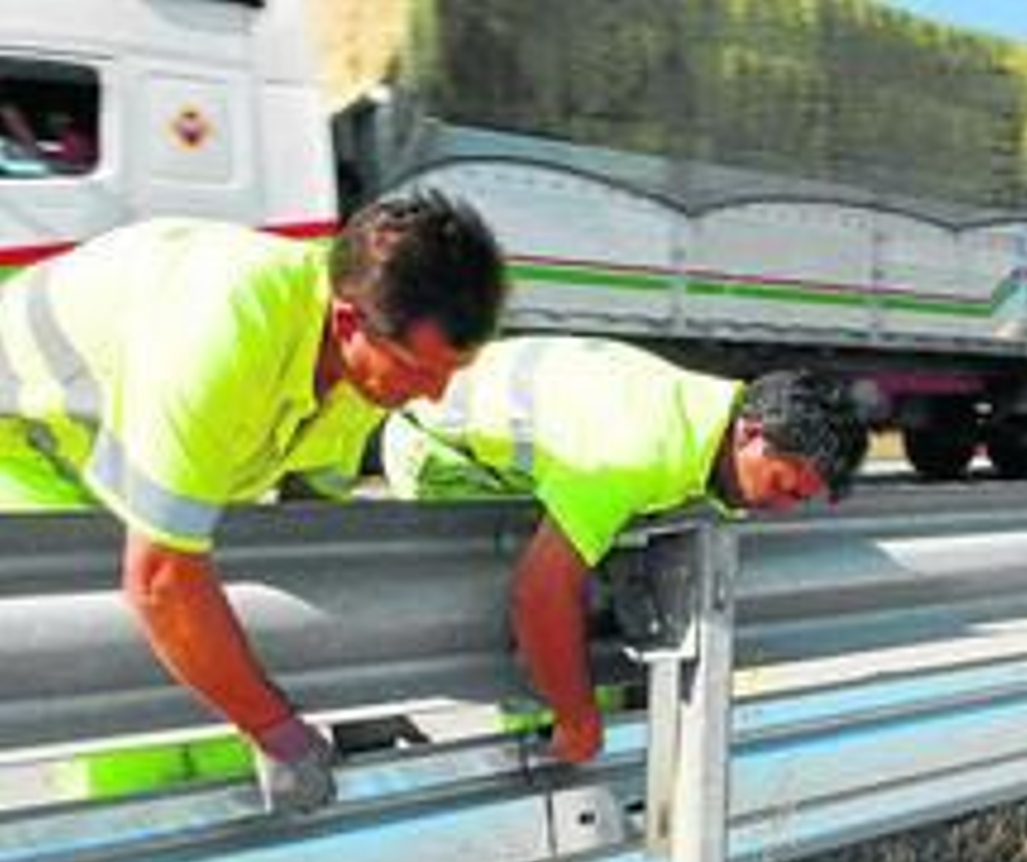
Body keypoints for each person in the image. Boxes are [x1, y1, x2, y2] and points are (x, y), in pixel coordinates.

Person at [0, 191, 506, 812]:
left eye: (452, 371)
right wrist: (276, 730)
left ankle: (224, 848)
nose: (434, 394)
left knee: (222, 710)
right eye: (419, 369)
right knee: (124, 691)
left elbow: (308, 533)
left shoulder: (363, 371)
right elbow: (158, 581)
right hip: (27, 443)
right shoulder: (221, 337)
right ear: (349, 324)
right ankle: (139, 855)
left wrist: (357, 695)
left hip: (144, 440)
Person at [384, 335, 869, 762]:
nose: (782, 509)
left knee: (592, 601)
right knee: (545, 622)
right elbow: (540, 594)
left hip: (491, 423)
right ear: (751, 434)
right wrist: (578, 719)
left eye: (799, 499)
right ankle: (541, 761)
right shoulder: (635, 453)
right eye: (783, 488)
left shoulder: (715, 411)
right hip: (438, 452)